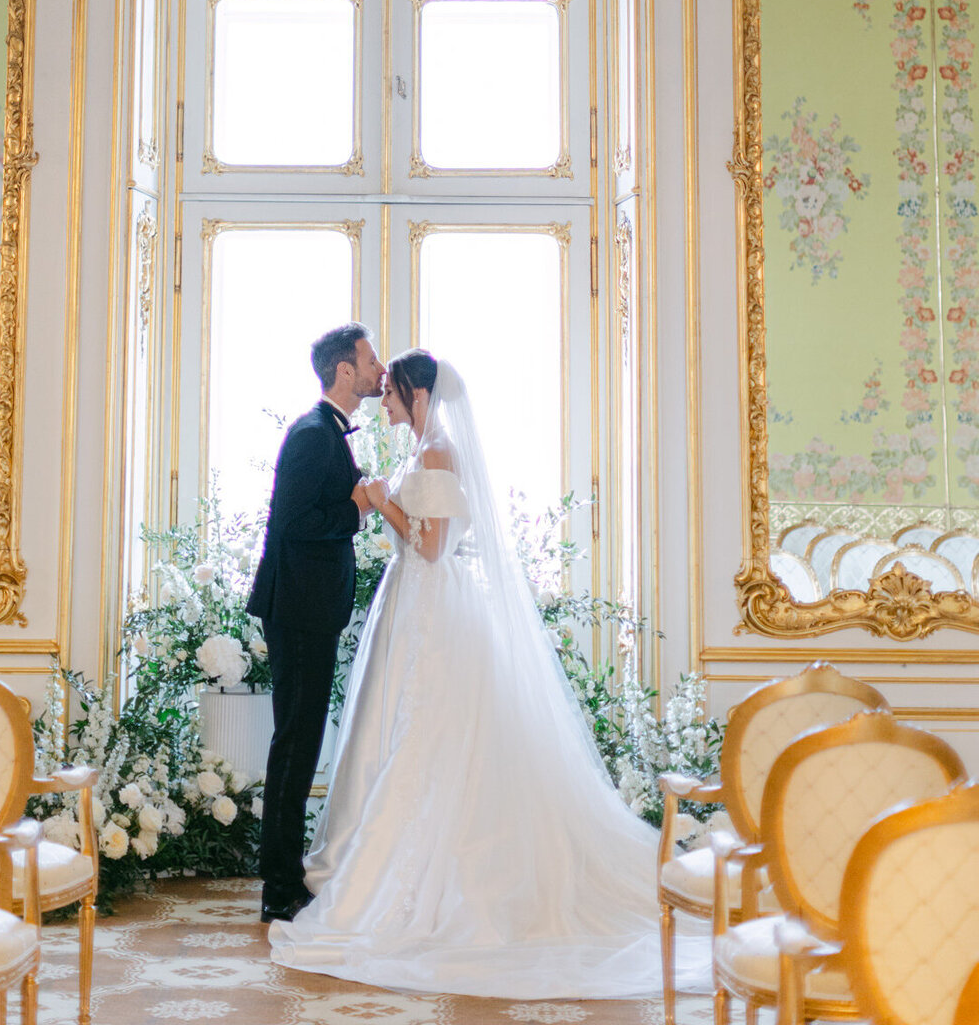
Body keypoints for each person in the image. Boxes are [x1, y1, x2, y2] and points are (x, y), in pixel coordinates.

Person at [269, 350, 709, 999]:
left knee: (431, 733)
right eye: (379, 387)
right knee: (400, 728)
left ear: (420, 396)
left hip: (435, 607)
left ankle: (421, 874)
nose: (382, 400)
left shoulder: (439, 452)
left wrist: (382, 502)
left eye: (391, 392)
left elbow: (433, 544)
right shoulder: (423, 450)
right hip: (413, 604)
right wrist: (385, 499)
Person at [247, 322, 386, 924]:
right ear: (345, 370)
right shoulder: (311, 434)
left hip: (308, 612)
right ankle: (279, 886)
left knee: (300, 745)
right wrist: (356, 506)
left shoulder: (327, 432)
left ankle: (283, 876)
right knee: (295, 745)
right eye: (370, 359)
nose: (380, 369)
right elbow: (294, 524)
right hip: (299, 613)